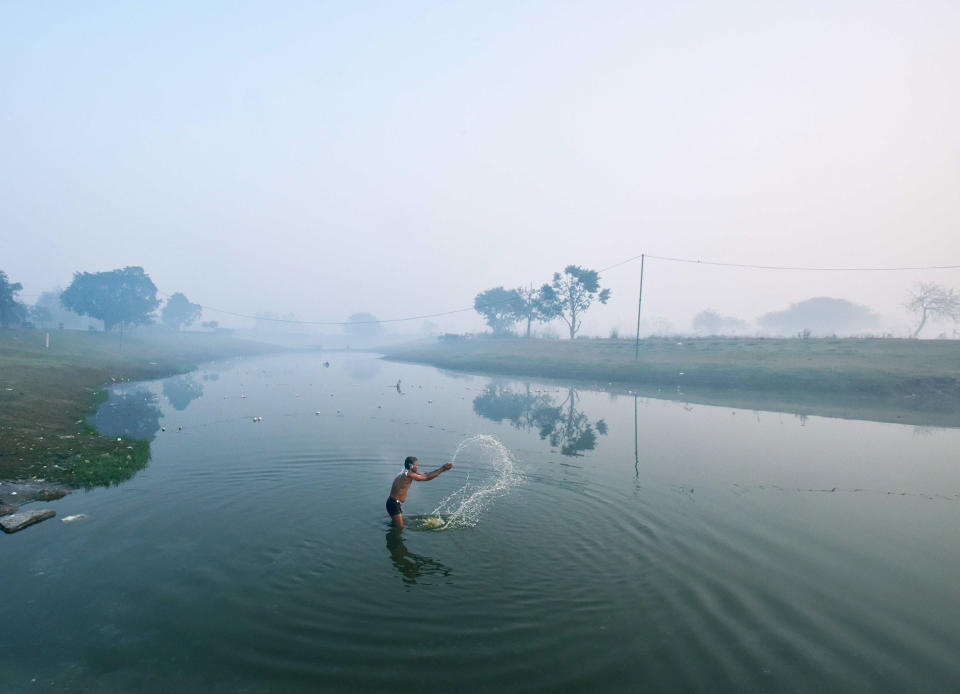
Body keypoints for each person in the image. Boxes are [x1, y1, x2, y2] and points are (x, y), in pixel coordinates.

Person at [386, 456, 453, 528]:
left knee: (397, 525)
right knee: (400, 528)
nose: (417, 467)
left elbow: (425, 474)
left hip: (393, 503)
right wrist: (443, 469)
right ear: (411, 466)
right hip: (393, 504)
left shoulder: (405, 471)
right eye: (416, 465)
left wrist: (442, 468)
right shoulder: (408, 474)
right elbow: (427, 477)